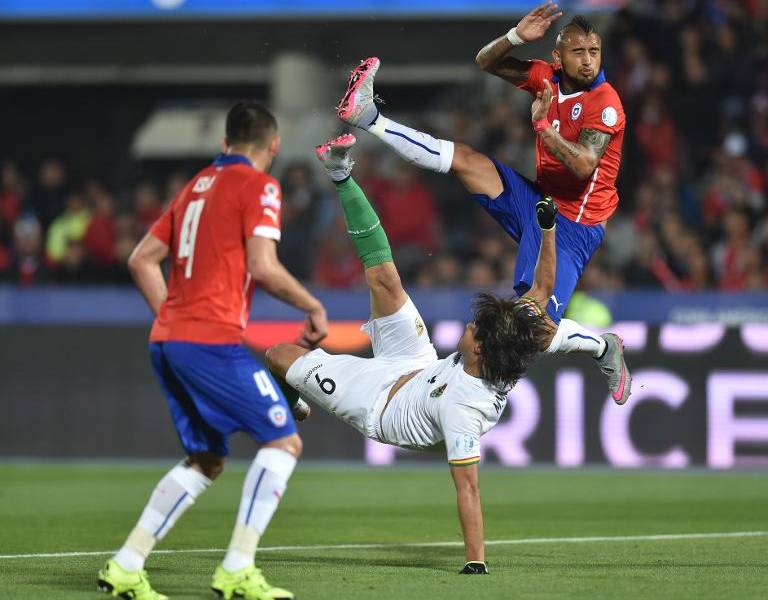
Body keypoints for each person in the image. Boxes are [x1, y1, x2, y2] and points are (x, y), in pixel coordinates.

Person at [267, 133, 620, 574]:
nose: (468, 327)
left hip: (378, 404)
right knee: (385, 279)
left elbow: (468, 488)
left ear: (479, 351)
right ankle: (341, 173)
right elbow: (543, 288)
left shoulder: (464, 409)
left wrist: (476, 562)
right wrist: (548, 228)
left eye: (473, 329)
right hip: (418, 365)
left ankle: (292, 394)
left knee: (279, 354)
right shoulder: (497, 347)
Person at [336, 4, 631, 404]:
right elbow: (486, 62)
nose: (588, 61)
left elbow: (583, 167)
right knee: (467, 161)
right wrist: (515, 37)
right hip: (540, 201)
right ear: (558, 58)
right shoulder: (547, 78)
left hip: (573, 225)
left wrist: (543, 128)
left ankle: (603, 347)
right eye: (579, 52)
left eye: (594, 52)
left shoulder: (605, 102)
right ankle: (369, 117)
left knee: (538, 329)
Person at [97, 102, 328, 600]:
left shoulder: (194, 186)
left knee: (206, 459)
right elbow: (263, 267)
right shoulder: (260, 186)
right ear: (273, 146)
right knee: (284, 443)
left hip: (168, 340)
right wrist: (311, 305)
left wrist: (172, 317)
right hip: (208, 340)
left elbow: (141, 260)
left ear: (225, 144)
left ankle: (126, 565)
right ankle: (237, 569)